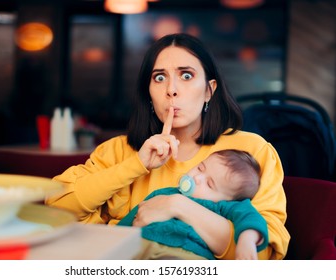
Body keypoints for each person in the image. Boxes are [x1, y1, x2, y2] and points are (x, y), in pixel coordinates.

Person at [46, 33, 290, 260]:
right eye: (159, 78)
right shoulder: (118, 151)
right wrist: (137, 164)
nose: (171, 90)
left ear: (209, 90)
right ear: (149, 93)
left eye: (186, 75)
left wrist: (177, 205)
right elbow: (56, 207)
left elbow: (264, 254)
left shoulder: (251, 150)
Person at [118, 149, 268, 260]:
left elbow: (251, 217)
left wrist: (247, 240)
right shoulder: (163, 194)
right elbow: (130, 220)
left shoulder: (224, 207)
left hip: (186, 253)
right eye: (200, 168)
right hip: (143, 244)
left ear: (228, 200)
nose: (197, 178)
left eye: (209, 184)